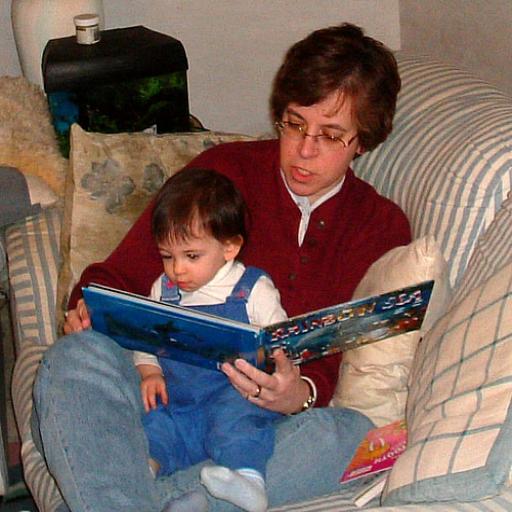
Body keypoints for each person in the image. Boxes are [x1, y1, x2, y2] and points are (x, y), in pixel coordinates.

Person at [33, 22, 411, 512]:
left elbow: (341, 353)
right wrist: (88, 307)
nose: (305, 149)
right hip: (160, 391)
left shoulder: (380, 226)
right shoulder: (223, 171)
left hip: (257, 421)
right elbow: (121, 275)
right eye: (294, 124)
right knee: (74, 358)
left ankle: (124, 493)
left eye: (331, 135)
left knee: (349, 436)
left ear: (363, 140)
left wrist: (298, 393)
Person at [135, 167, 287, 512]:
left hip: (233, 395)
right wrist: (150, 372)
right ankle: (145, 481)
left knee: (240, 423)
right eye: (167, 256)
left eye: (191, 256)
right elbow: (144, 339)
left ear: (230, 247)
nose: (177, 269)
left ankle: (248, 480)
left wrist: (272, 370)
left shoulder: (252, 289)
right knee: (155, 426)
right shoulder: (164, 290)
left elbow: (281, 344)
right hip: (180, 401)